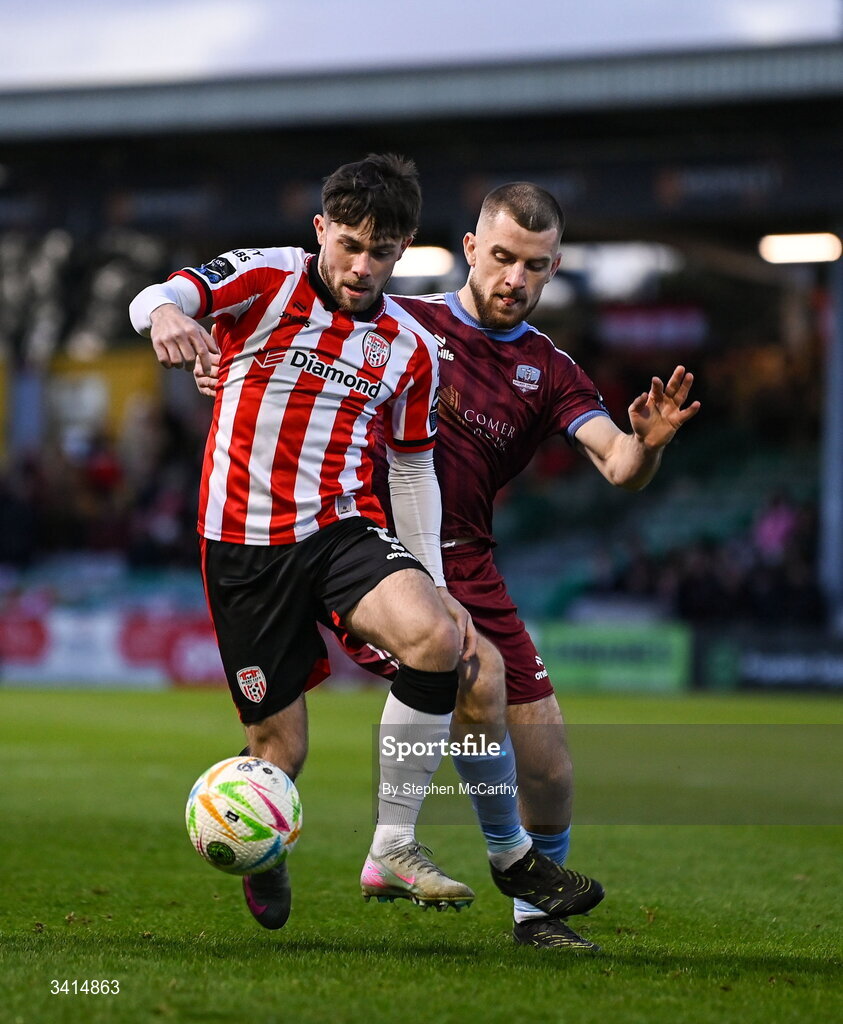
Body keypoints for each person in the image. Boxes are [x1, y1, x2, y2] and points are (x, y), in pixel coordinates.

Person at [196, 181, 698, 950]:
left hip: (467, 560)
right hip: (358, 542)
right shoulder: (405, 324)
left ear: (552, 267)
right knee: (469, 674)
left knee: (550, 767)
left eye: (532, 266)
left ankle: (536, 915)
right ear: (469, 249)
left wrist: (649, 446)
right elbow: (284, 363)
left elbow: (617, 463)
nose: (512, 279)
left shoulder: (549, 370)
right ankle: (483, 862)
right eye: (500, 258)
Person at [130, 156, 590, 935]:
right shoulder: (262, 277)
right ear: (321, 230)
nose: (360, 265)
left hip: (341, 529)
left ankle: (393, 845)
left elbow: (412, 469)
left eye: (380, 252)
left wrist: (434, 579)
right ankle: (265, 850)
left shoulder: (408, 345)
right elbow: (163, 294)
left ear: (404, 250)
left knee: (440, 639)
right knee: (281, 750)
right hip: (243, 546)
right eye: (347, 245)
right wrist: (166, 317)